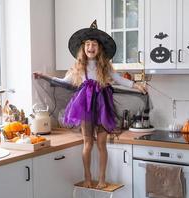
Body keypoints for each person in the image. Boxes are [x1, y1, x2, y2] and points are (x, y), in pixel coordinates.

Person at [33, 20, 147, 189]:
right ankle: (87, 177)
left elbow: (120, 80)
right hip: (85, 106)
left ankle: (101, 178)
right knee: (88, 143)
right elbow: (63, 82)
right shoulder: (79, 68)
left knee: (101, 144)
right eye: (87, 44)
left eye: (94, 44)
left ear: (99, 48)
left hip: (102, 106)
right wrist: (44, 76)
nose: (90, 47)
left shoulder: (105, 68)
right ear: (83, 48)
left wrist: (136, 85)